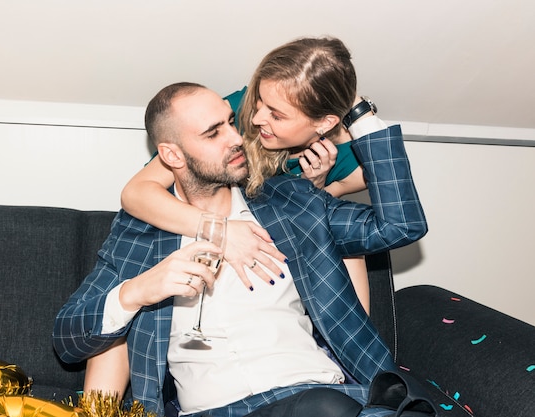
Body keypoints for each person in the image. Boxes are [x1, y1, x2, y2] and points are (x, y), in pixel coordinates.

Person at [53, 82, 427, 416]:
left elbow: (400, 225)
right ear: (172, 156)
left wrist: (356, 111)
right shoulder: (139, 234)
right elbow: (68, 339)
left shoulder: (290, 204)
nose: (236, 138)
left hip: (315, 394)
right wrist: (140, 290)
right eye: (213, 133)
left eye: (231, 122)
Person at [120, 37, 385, 314]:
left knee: (349, 242)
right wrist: (220, 231)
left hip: (274, 246)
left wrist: (314, 187)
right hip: (208, 232)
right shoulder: (235, 111)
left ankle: (348, 354)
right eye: (260, 101)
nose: (257, 118)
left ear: (324, 122)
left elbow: (322, 220)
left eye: (277, 115)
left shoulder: (353, 165)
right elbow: (136, 193)